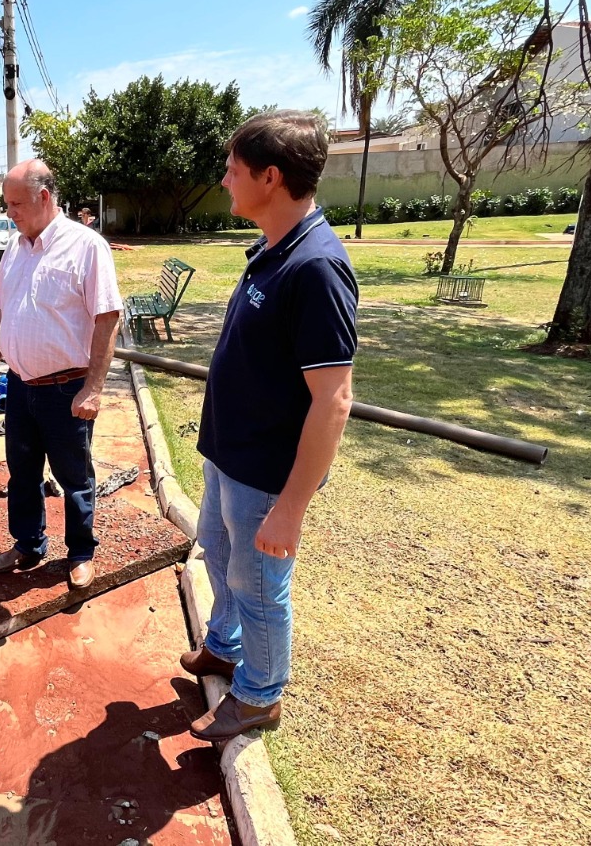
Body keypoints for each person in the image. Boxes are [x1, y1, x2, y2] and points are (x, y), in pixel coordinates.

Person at [181, 110, 358, 742]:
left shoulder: (315, 267)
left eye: (233, 170)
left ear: (271, 177)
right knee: (221, 557)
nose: (225, 180)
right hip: (230, 455)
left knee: (258, 586)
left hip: (265, 475)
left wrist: (291, 508)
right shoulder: (271, 250)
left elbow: (332, 399)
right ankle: (224, 648)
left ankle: (258, 695)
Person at [0, 160, 123, 589]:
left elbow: (107, 317)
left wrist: (94, 388)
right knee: (22, 472)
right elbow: (2, 306)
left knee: (74, 476)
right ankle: (28, 545)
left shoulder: (86, 246)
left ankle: (80, 552)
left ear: (45, 198)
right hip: (21, 387)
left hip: (67, 390)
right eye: (7, 204)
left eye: (16, 203)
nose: (11, 212)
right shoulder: (16, 247)